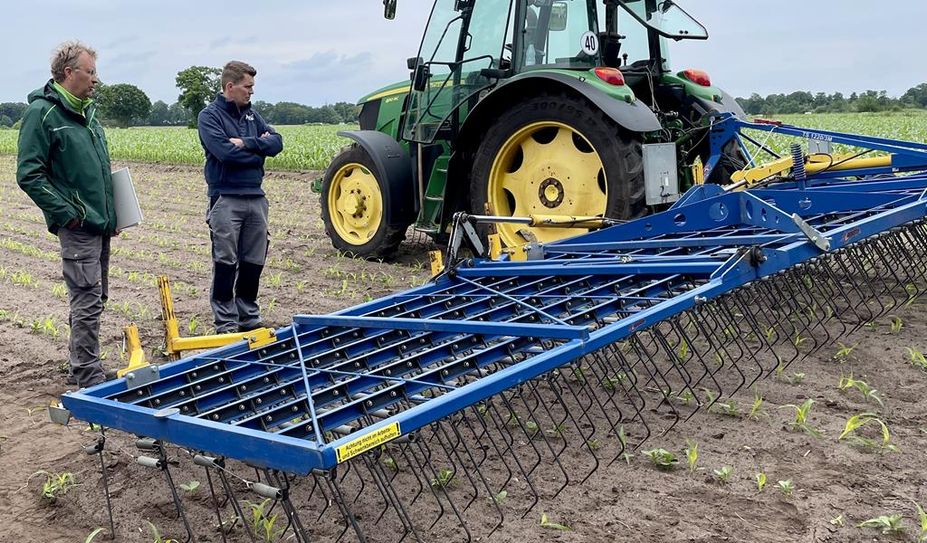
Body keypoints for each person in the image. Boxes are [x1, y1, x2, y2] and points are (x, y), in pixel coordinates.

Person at [16, 41, 116, 387]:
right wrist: (69, 214)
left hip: (99, 225)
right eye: (90, 72)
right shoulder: (42, 114)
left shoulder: (88, 115)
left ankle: (86, 365)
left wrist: (111, 214)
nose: (95, 80)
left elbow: (99, 171)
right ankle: (88, 375)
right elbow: (29, 175)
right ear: (69, 73)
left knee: (96, 297)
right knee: (86, 298)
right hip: (78, 227)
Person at [198, 61, 283, 334]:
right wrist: (259, 150)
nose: (251, 92)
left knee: (253, 261)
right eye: (248, 87)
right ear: (230, 87)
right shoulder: (209, 116)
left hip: (256, 197)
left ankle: (248, 315)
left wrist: (247, 143)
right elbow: (225, 153)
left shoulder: (252, 116)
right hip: (226, 198)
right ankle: (225, 321)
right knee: (226, 261)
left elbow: (277, 143)